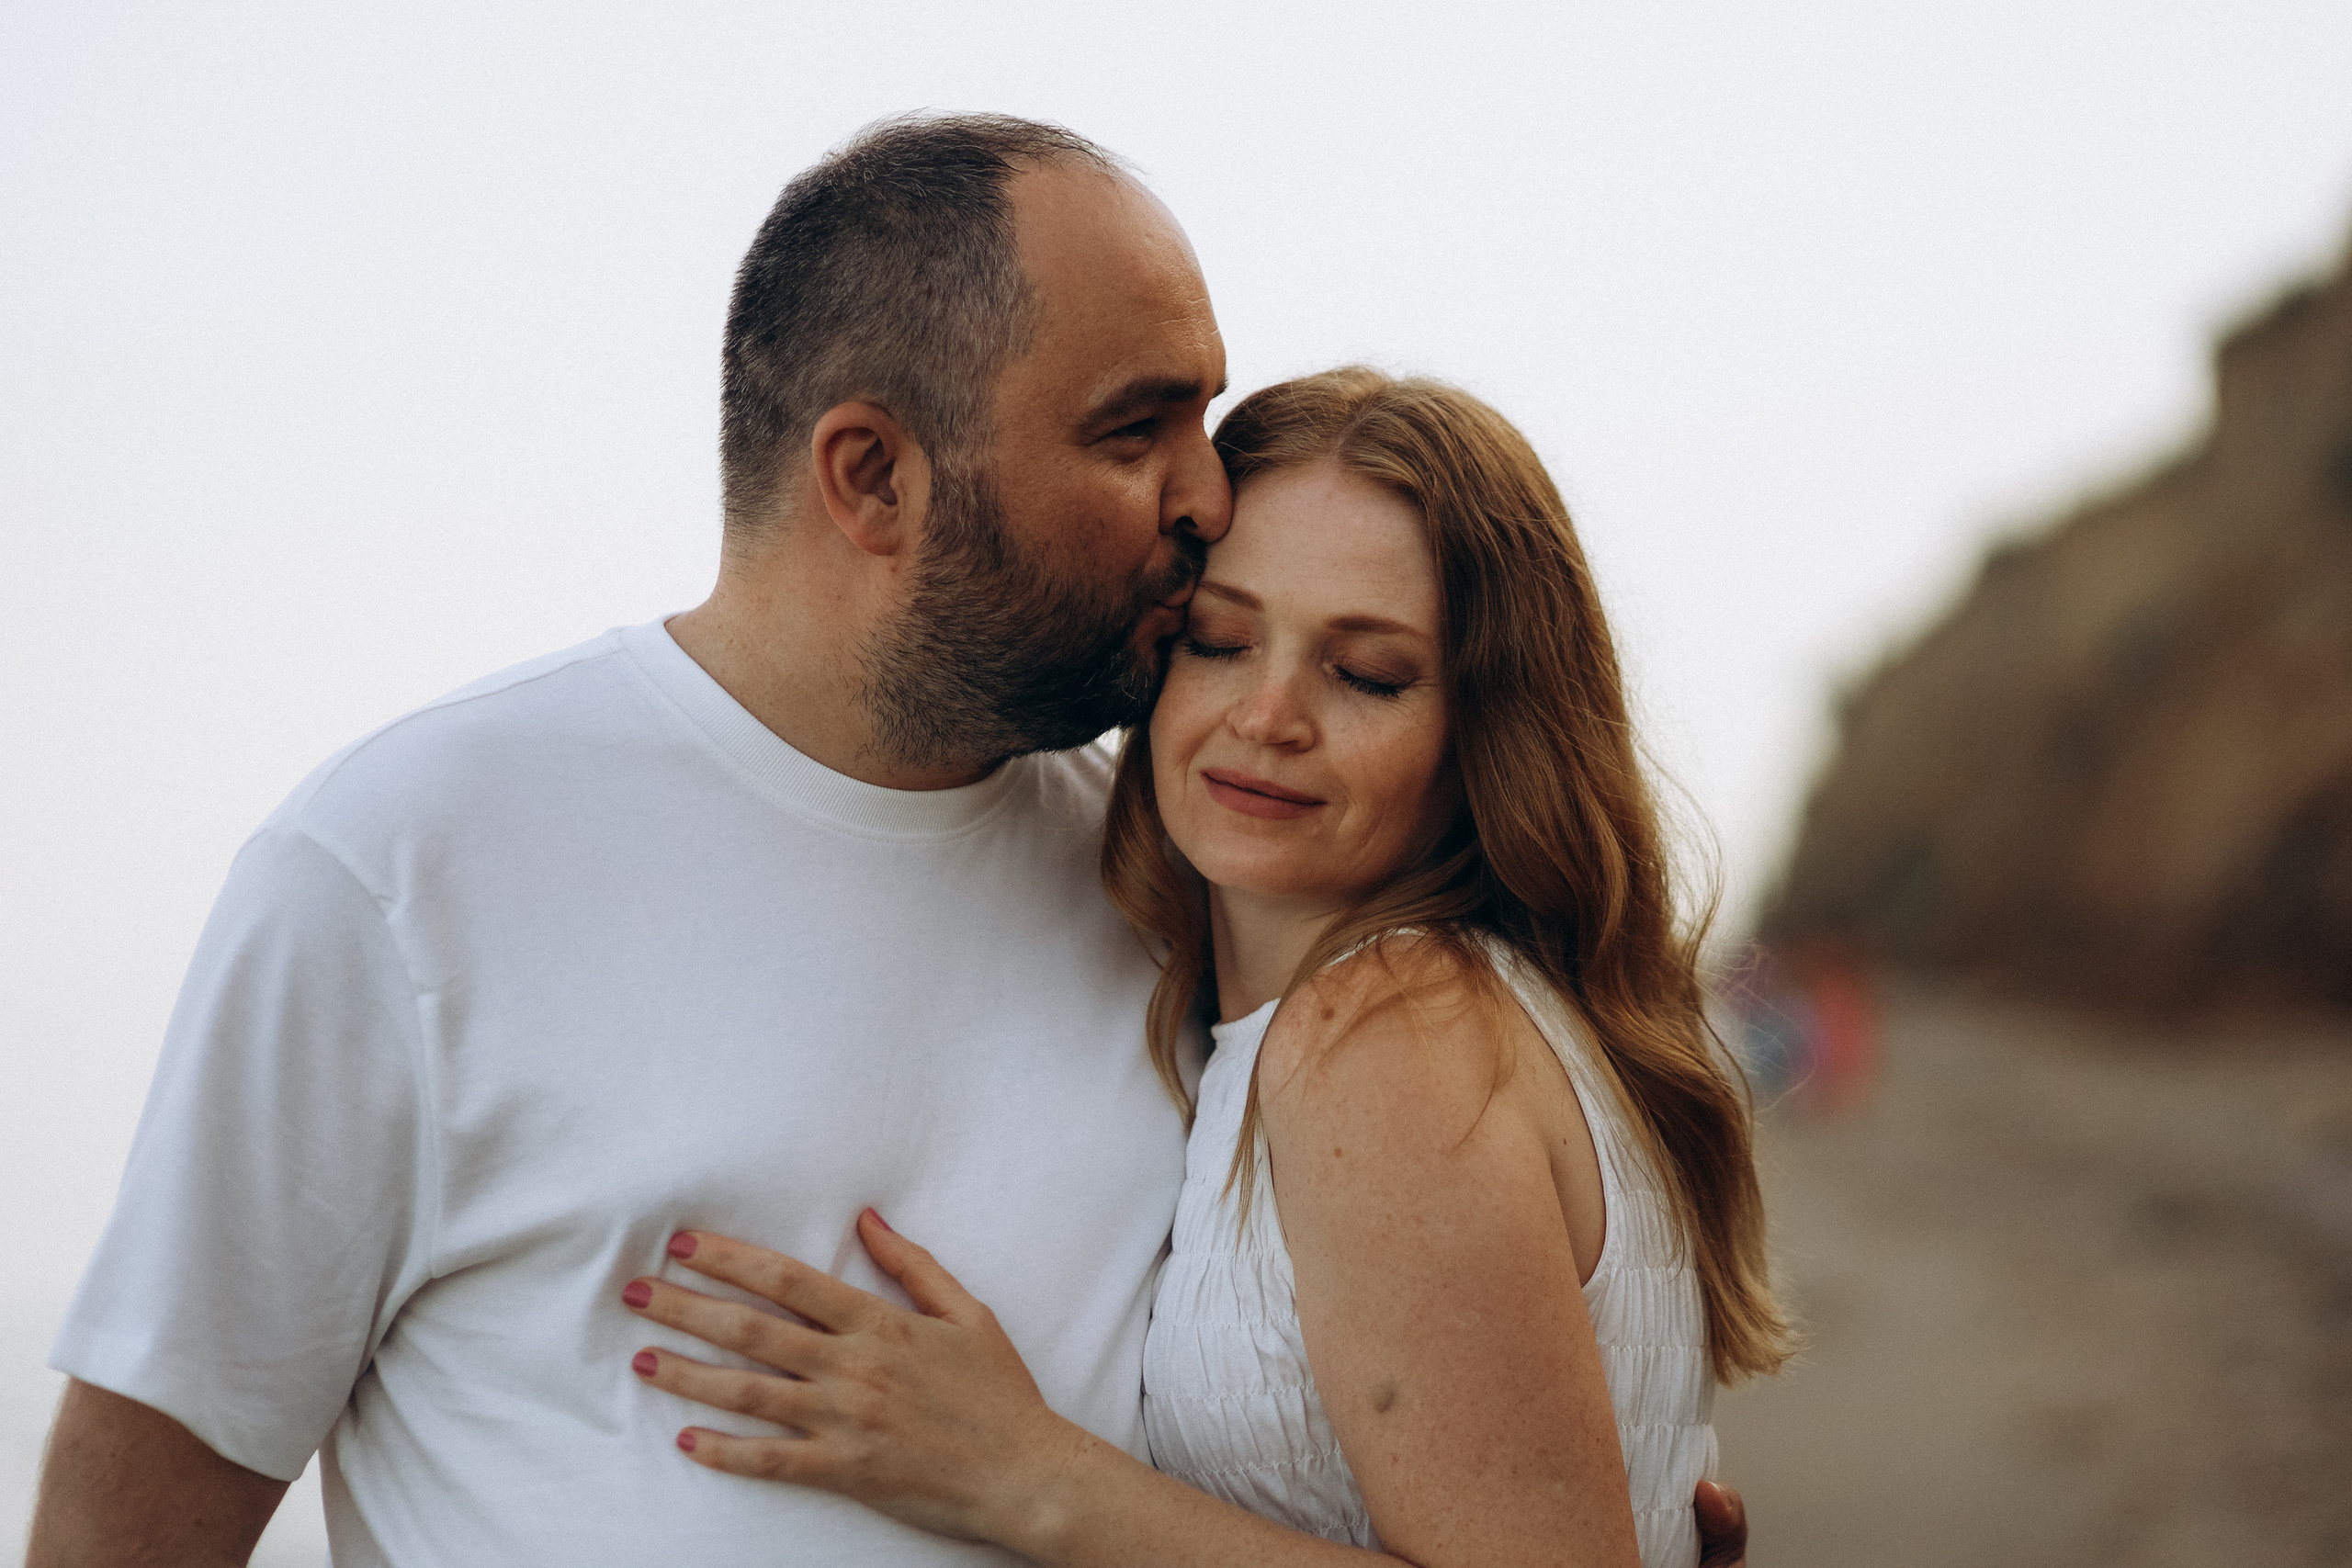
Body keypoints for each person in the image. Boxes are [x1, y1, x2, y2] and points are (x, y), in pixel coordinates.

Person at [29, 115, 1749, 1565]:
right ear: (873, 479)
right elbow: (146, 1496)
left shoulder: (1163, 873)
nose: (1207, 494)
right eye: (1134, 428)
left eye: (1202, 423)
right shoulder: (405, 865)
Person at [617, 369, 1791, 1568]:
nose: (1269, 713)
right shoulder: (1425, 1013)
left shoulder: (1383, 1034)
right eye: (1220, 640)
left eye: (1367, 672)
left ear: (1485, 732)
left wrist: (1018, 1472)